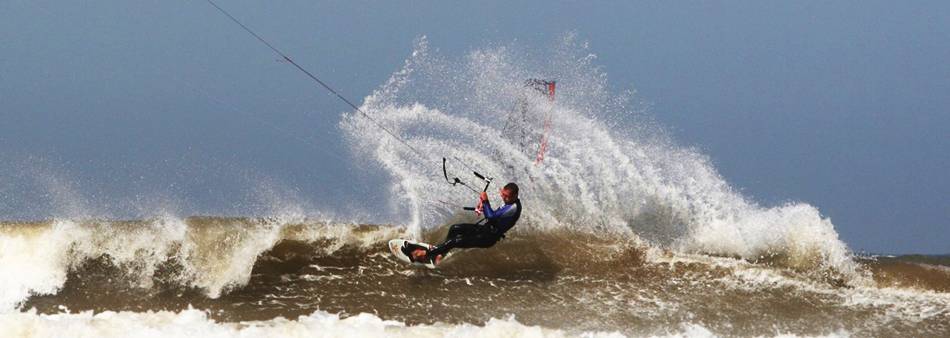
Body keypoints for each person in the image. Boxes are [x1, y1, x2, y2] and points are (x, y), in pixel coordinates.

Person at [407, 182, 522, 265]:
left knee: (455, 241)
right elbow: (495, 213)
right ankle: (440, 253)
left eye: (507, 197)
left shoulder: (513, 207)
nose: (504, 198)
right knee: (455, 228)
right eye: (503, 195)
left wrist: (485, 201)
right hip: (484, 230)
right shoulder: (509, 201)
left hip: (488, 238)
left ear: (515, 196)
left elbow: (491, 216)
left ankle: (425, 254)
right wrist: (483, 203)